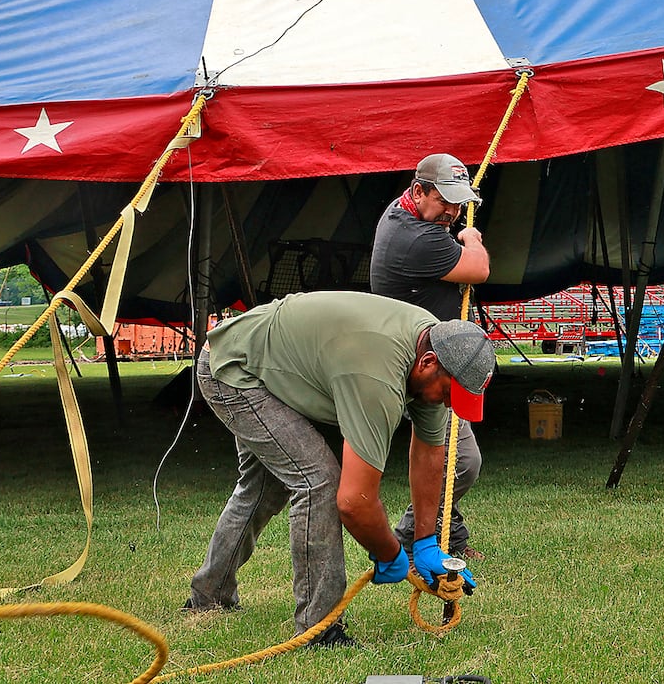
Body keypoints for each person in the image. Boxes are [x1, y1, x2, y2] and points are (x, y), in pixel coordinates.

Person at [185, 290, 495, 647]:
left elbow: (429, 453)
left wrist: (424, 543)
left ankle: (208, 596)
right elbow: (354, 502)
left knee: (264, 488)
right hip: (234, 368)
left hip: (265, 360)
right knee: (318, 481)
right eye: (448, 393)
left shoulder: (435, 353)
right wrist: (391, 553)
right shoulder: (377, 374)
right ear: (426, 363)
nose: (447, 402)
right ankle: (319, 629)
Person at [370, 153, 490, 563]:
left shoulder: (403, 214)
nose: (454, 214)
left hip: (423, 355)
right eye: (445, 202)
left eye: (460, 204)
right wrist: (471, 241)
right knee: (464, 462)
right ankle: (409, 534)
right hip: (424, 368)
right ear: (418, 191)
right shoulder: (419, 239)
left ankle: (449, 534)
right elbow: (479, 270)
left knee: (451, 454)